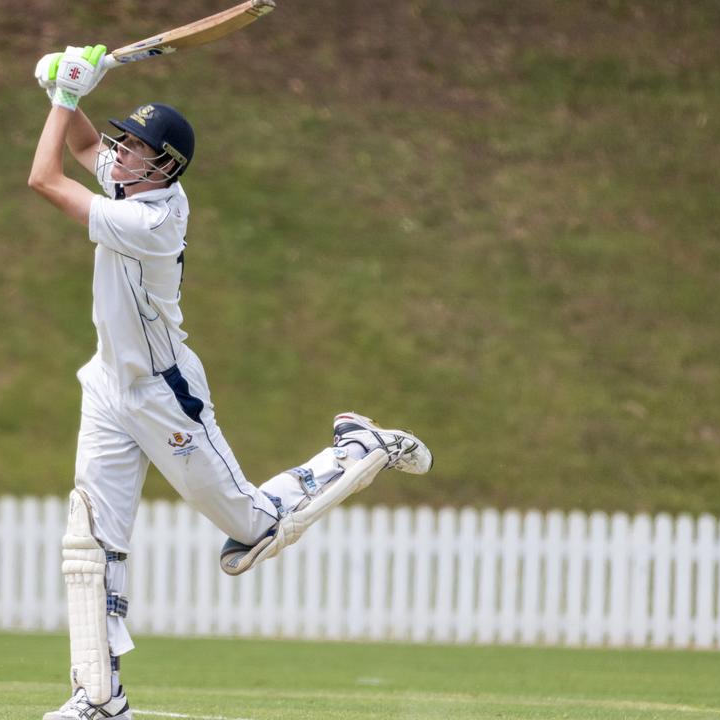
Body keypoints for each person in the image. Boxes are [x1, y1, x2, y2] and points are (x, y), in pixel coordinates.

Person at [28, 45, 433, 720]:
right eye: (124, 143)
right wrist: (63, 92)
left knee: (250, 532)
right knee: (91, 541)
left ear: (166, 169)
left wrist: (65, 96)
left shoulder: (150, 219)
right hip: (108, 386)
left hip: (163, 393)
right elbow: (83, 144)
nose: (119, 155)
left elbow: (44, 178)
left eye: (136, 150)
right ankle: (98, 698)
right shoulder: (131, 181)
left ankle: (357, 450)